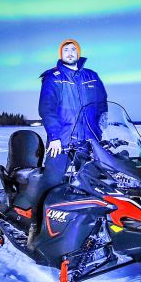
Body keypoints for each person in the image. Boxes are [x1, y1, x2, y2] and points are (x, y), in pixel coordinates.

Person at [37, 38, 108, 192]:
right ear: (61, 54)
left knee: (91, 183)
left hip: (89, 141)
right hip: (61, 141)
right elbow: (47, 109)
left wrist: (103, 123)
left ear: (78, 53)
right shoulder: (54, 77)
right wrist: (54, 137)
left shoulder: (92, 76)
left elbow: (102, 102)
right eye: (66, 50)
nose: (70, 53)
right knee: (52, 181)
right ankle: (39, 214)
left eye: (73, 49)